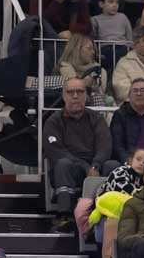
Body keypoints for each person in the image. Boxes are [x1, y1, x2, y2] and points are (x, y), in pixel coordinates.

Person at [45, 76, 116, 230]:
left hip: (95, 165)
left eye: (80, 91)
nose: (75, 96)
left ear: (86, 95)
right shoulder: (53, 121)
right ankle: (65, 216)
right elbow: (56, 151)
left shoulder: (96, 118)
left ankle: (111, 212)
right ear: (63, 96)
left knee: (112, 165)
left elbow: (105, 146)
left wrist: (95, 166)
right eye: (71, 92)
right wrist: (86, 167)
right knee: (63, 164)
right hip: (71, 167)